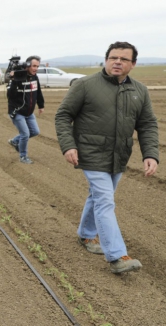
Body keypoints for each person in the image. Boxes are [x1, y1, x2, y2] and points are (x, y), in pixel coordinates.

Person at [55, 41, 159, 274]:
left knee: (99, 196)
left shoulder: (139, 90)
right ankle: (117, 255)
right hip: (91, 153)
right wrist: (68, 145)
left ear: (133, 64)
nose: (117, 62)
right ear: (106, 60)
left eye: (123, 59)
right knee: (105, 200)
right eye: (113, 58)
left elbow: (147, 124)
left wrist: (150, 154)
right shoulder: (85, 85)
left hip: (119, 155)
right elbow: (63, 115)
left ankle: (85, 235)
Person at [6, 55, 45, 164]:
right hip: (17, 112)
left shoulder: (34, 77)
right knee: (25, 134)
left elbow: (38, 92)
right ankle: (23, 157)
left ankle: (15, 141)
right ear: (27, 65)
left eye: (37, 66)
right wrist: (13, 80)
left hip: (29, 112)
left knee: (35, 131)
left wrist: (41, 105)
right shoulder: (17, 78)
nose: (36, 68)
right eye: (34, 66)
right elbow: (10, 95)